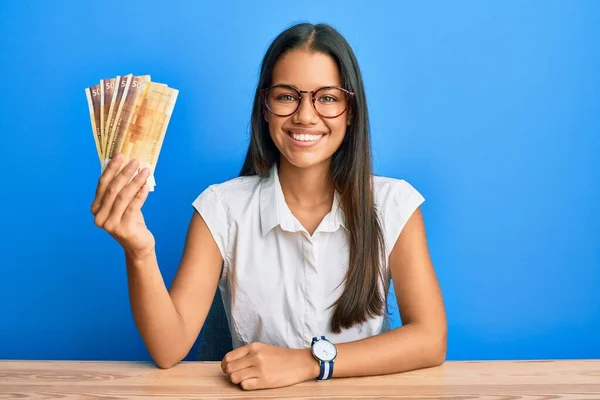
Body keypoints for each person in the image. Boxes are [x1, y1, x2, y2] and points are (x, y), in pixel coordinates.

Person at [90, 22, 447, 391]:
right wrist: (139, 251)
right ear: (265, 107)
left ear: (351, 111)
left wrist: (308, 363)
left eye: (327, 98)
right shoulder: (221, 208)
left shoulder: (393, 204)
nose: (305, 116)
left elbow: (430, 338)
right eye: (286, 96)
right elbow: (168, 348)